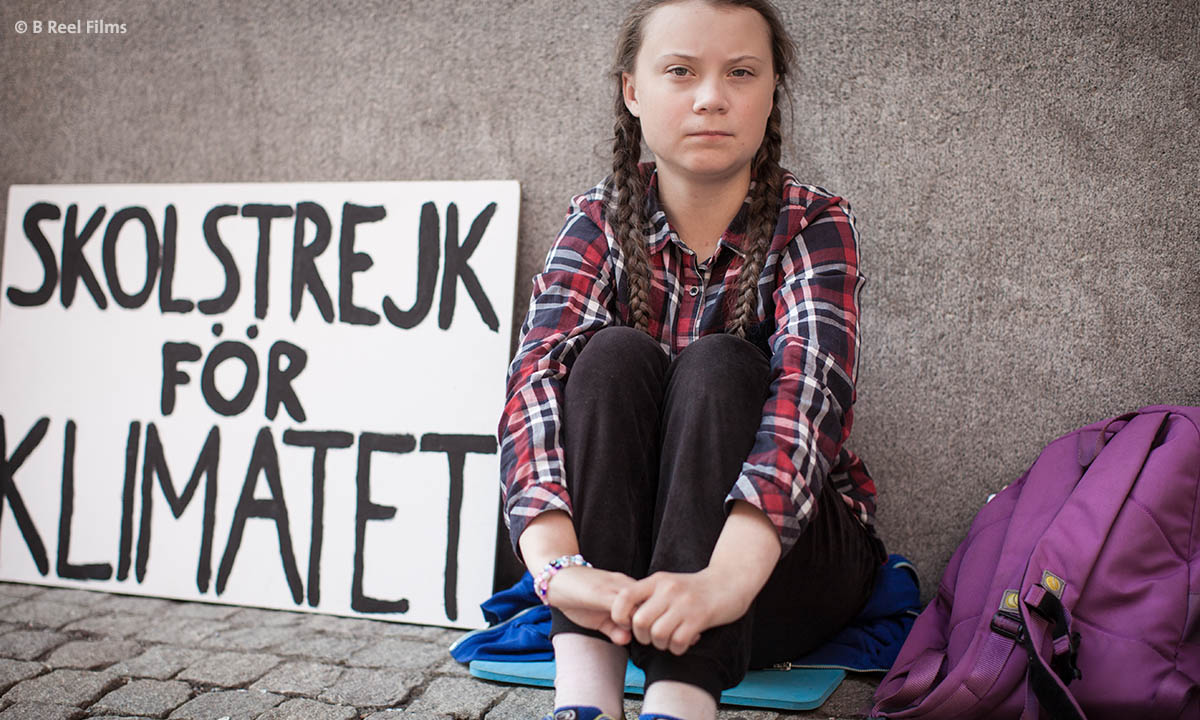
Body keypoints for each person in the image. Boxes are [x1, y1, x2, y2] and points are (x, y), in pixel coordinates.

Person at [498, 1, 887, 718]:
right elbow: (533, 390)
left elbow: (811, 397)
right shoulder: (597, 220)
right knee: (610, 356)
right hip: (622, 585)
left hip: (772, 571)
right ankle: (584, 692)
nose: (711, 97)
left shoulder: (814, 221)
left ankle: (682, 699)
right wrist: (561, 573)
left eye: (741, 73)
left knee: (720, 364)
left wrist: (722, 583)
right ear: (633, 91)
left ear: (773, 93)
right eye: (680, 71)